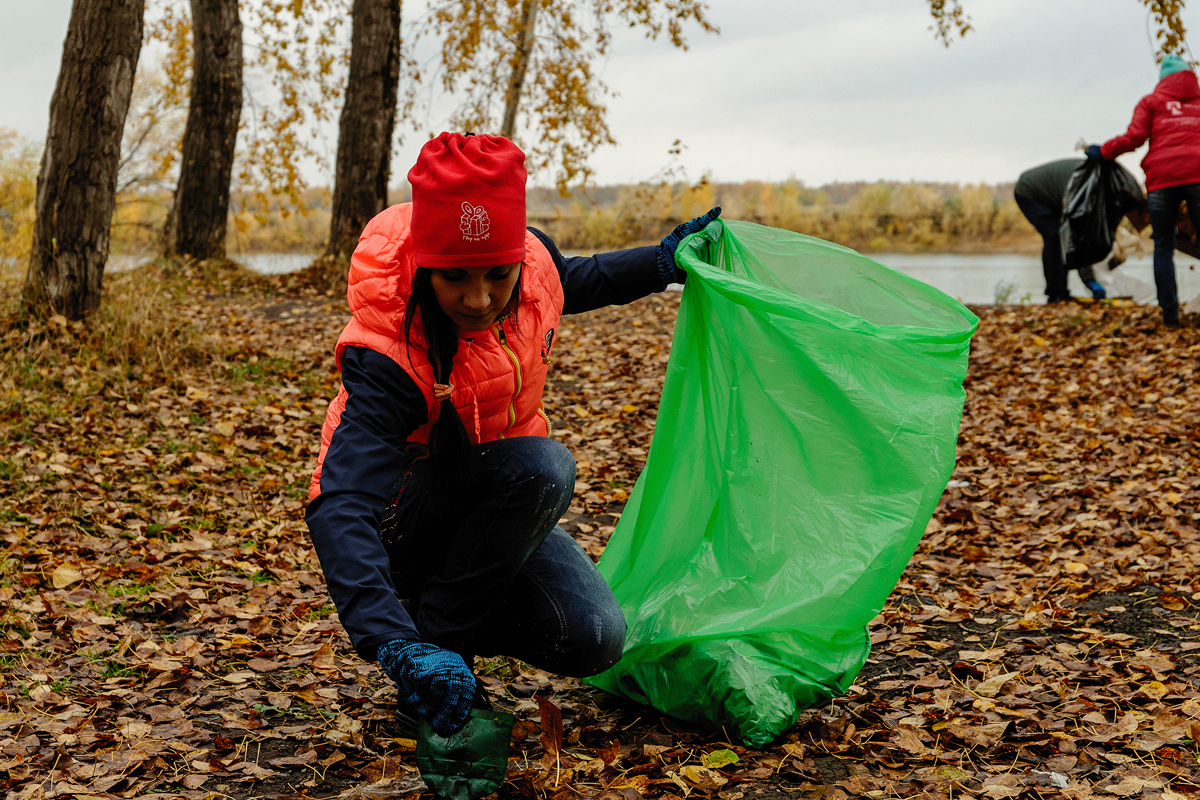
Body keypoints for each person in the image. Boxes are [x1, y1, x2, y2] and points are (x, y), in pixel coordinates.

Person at [304, 131, 720, 738]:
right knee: (543, 467)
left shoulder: (533, 273)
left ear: (518, 262)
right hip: (402, 525)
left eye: (498, 276)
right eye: (456, 280)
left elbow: (577, 279)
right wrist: (391, 641)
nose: (480, 300)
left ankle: (441, 629)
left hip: (487, 509)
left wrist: (660, 263)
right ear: (425, 267)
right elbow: (340, 504)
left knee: (594, 637)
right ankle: (429, 651)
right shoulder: (390, 357)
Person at [1088, 53, 1200, 327]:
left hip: (1161, 179)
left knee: (1163, 246)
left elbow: (1134, 137)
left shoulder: (1151, 101)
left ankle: (1170, 316)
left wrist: (1102, 151)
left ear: (1163, 79)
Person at [1013, 158, 1111, 303]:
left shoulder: (1095, 182)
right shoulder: (1082, 187)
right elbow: (1075, 235)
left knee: (1061, 237)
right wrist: (1089, 279)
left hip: (1053, 197)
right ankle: (1055, 294)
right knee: (1055, 236)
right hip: (1029, 191)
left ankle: (1061, 293)